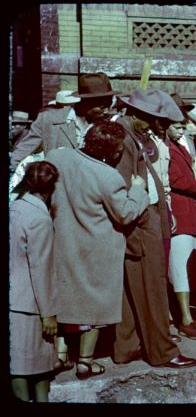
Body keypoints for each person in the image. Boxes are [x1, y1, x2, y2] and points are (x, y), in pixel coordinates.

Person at [45, 120, 150, 380]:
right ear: (111, 152)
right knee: (95, 304)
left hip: (63, 241)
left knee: (65, 298)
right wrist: (138, 192)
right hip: (97, 248)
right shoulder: (108, 176)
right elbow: (125, 214)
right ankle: (85, 362)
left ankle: (60, 356)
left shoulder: (57, 157)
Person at [114, 89, 196, 368]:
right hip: (140, 220)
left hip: (149, 215)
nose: (157, 128)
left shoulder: (134, 135)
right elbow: (127, 191)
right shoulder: (126, 139)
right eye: (155, 121)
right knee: (153, 288)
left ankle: (128, 347)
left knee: (134, 286)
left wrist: (164, 210)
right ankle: (163, 351)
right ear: (138, 115)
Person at [9, 162, 59, 402]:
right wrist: (49, 313)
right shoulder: (40, 219)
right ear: (51, 188)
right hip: (30, 305)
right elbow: (42, 269)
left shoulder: (15, 208)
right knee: (35, 367)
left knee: (19, 365)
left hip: (14, 300)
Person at [10, 73, 119, 171]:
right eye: (101, 107)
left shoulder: (107, 126)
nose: (106, 111)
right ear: (86, 103)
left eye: (109, 106)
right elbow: (22, 153)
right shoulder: (48, 120)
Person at [166, 117, 196, 340]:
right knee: (180, 265)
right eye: (178, 127)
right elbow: (179, 181)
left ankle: (186, 314)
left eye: (184, 127)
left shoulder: (184, 146)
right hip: (179, 213)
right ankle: (184, 318)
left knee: (191, 265)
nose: (183, 131)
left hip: (192, 213)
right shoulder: (167, 149)